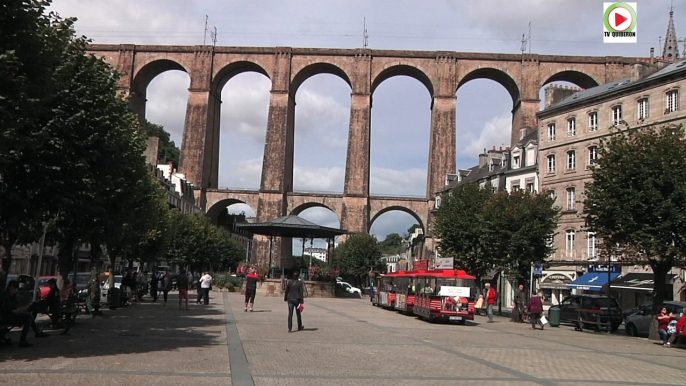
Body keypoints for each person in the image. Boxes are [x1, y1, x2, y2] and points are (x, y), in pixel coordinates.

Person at [0, 280, 49, 347]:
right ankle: (36, 333)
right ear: (11, 288)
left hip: (12, 315)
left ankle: (23, 340)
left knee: (28, 320)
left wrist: (18, 310)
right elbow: (3, 309)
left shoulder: (13, 297)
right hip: (6, 317)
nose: (16, 290)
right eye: (15, 288)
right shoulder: (4, 296)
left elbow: (14, 307)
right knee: (28, 316)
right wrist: (12, 311)